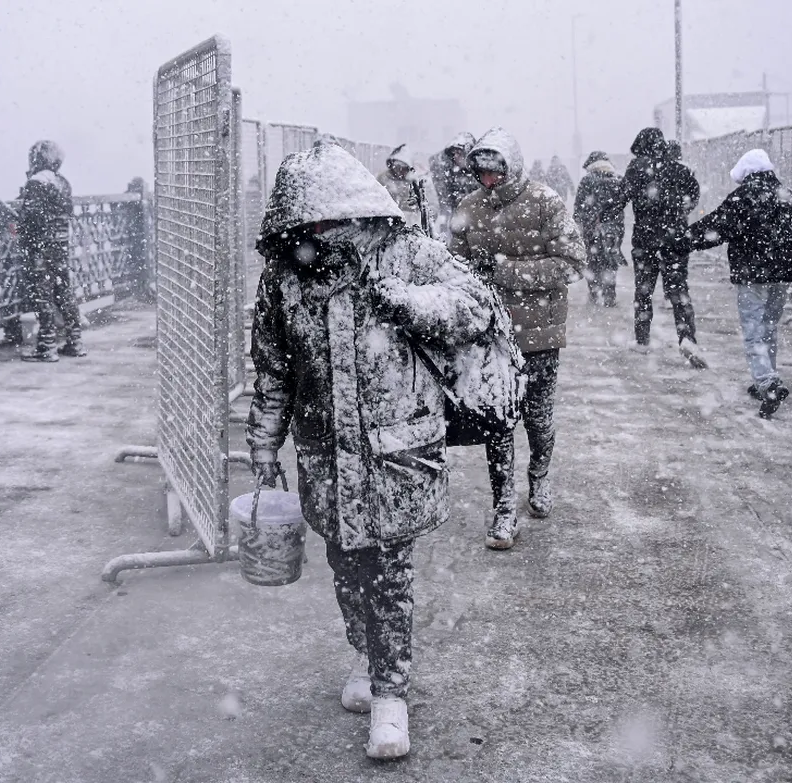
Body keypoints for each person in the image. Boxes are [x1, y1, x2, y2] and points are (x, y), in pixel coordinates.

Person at [248, 141, 495, 760]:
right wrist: (263, 442)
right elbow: (274, 371)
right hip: (324, 456)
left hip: (395, 454)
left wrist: (401, 301)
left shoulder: (408, 255)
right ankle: (363, 651)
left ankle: (392, 695)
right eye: (308, 222)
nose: (321, 233)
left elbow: (477, 308)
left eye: (330, 218)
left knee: (389, 573)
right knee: (345, 566)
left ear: (356, 209)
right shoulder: (284, 278)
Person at [449, 127, 587, 550]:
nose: (488, 181)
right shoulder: (468, 208)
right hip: (489, 338)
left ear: (512, 166)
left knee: (538, 418)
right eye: (482, 174)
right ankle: (504, 506)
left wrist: (507, 271)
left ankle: (539, 478)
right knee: (498, 422)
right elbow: (452, 262)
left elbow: (573, 262)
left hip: (538, 334)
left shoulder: (545, 203)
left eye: (496, 172)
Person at [685, 149, 792, 418]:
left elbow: (716, 227)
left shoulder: (743, 198)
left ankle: (767, 381)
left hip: (751, 275)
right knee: (769, 327)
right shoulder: (789, 197)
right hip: (781, 276)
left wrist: (684, 239)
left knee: (753, 331)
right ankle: (765, 378)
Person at [621, 127, 707, 368]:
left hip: (645, 239)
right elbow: (694, 193)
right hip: (675, 238)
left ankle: (642, 340)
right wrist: (679, 214)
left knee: (643, 292)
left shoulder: (636, 170)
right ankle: (688, 339)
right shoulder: (681, 170)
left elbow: (619, 197)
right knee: (679, 291)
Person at [19, 140, 84, 362]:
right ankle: (75, 342)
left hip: (41, 248)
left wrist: (21, 217)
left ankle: (47, 346)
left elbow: (31, 218)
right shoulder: (63, 182)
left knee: (42, 295)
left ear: (36, 158)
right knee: (64, 292)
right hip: (61, 246)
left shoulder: (36, 182)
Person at [573, 151, 627, 307]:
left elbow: (579, 207)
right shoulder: (617, 180)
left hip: (592, 228)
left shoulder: (587, 180)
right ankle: (610, 295)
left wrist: (580, 224)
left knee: (593, 261)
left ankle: (595, 293)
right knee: (611, 261)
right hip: (614, 229)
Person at [427, 132, 479, 241]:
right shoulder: (451, 175)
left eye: (459, 153)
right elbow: (444, 203)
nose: (455, 157)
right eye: (453, 153)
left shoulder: (481, 175)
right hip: (457, 222)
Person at [377, 144, 426, 228]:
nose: (400, 170)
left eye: (403, 167)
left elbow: (430, 206)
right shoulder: (382, 179)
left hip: (411, 225)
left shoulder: (415, 183)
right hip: (386, 224)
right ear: (392, 164)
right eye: (397, 166)